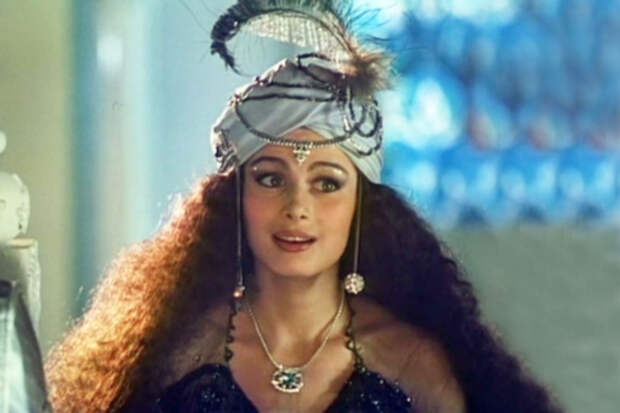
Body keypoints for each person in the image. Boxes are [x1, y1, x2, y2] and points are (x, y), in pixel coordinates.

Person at [45, 1, 563, 412]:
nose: (297, 207)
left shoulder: (412, 363)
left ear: (362, 204)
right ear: (235, 197)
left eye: (327, 183)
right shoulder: (178, 353)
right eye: (271, 179)